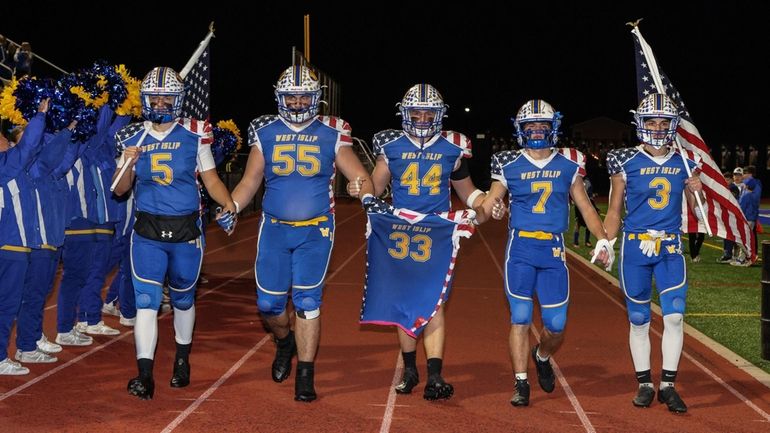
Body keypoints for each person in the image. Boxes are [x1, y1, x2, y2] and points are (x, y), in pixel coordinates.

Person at [229, 65, 373, 402]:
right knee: (269, 305)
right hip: (274, 230)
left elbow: (361, 176)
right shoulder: (265, 131)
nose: (296, 102)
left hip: (316, 230)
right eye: (290, 96)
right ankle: (284, 341)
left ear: (315, 98)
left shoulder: (332, 131)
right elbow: (250, 181)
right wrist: (232, 207)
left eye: (302, 95)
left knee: (308, 302)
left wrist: (361, 190)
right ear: (280, 97)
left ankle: (306, 375)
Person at [350, 83, 488, 401]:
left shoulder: (453, 147)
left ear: (440, 115)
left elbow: (468, 192)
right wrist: (363, 188)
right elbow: (377, 186)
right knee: (404, 301)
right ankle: (411, 369)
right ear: (405, 113)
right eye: (417, 113)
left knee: (434, 302)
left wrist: (483, 205)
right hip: (400, 231)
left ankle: (436, 375)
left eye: (429, 113)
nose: (423, 119)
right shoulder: (391, 145)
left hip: (437, 233)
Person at [474, 99, 613, 407]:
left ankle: (542, 355)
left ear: (554, 129)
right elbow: (489, 203)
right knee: (520, 317)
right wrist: (487, 211)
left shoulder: (568, 163)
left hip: (552, 250)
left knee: (556, 325)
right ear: (520, 130)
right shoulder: (508, 163)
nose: (536, 131)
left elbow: (586, 206)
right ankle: (521, 383)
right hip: (521, 247)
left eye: (542, 126)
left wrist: (603, 240)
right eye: (530, 127)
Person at [112, 66, 236, 400]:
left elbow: (210, 179)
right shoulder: (131, 137)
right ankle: (144, 374)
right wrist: (127, 163)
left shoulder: (195, 133)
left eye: (168, 96)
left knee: (182, 298)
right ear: (146, 99)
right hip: (148, 230)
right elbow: (121, 190)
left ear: (179, 99)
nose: (162, 102)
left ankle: (182, 359)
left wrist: (229, 204)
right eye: (156, 96)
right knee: (147, 302)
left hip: (185, 231)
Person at [603, 93, 704, 413]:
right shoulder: (624, 160)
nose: (658, 127)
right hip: (636, 244)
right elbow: (615, 208)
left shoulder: (685, 161)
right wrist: (606, 240)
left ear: (673, 125)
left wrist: (694, 190)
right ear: (640, 123)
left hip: (670, 246)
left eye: (664, 121)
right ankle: (645, 383)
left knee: (674, 315)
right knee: (639, 319)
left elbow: (696, 214)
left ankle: (668, 385)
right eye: (652, 121)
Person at [732, 165, 760, 266]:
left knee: (743, 238)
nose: (743, 175)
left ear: (750, 174)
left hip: (748, 215)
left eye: (745, 173)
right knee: (743, 237)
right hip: (746, 214)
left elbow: (748, 199)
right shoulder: (748, 184)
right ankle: (744, 258)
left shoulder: (752, 183)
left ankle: (748, 257)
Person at [717, 169, 741, 263]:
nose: (725, 181)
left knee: (729, 234)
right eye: (724, 179)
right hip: (727, 214)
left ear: (731, 180)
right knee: (728, 235)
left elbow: (730, 201)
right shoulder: (728, 187)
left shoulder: (732, 188)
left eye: (727, 180)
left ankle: (728, 254)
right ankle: (729, 253)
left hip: (731, 214)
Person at [573, 176, 599, 248]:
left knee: (589, 224)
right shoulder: (577, 180)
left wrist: (595, 208)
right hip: (579, 205)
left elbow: (590, 197)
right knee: (578, 223)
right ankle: (576, 241)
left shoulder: (587, 181)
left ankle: (587, 241)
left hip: (588, 204)